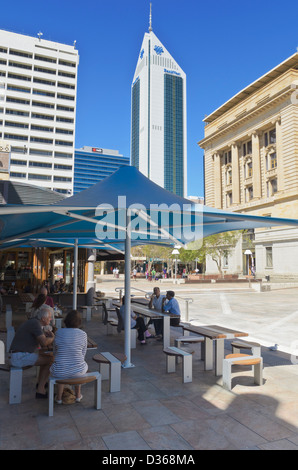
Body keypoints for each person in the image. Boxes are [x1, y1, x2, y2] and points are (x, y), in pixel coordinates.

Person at [9, 308, 55, 398]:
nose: (51, 319)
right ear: (43, 318)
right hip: (19, 357)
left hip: (17, 355)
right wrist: (52, 337)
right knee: (50, 360)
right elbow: (44, 342)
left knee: (46, 358)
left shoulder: (34, 323)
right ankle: (40, 390)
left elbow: (41, 339)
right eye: (49, 317)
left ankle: (40, 384)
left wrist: (46, 336)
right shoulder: (35, 324)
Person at [50, 310, 88, 404]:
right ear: (79, 322)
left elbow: (55, 352)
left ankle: (58, 398)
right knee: (79, 364)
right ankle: (78, 395)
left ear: (66, 321)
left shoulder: (58, 332)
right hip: (78, 371)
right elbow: (83, 354)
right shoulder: (83, 334)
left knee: (61, 368)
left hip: (60, 371)